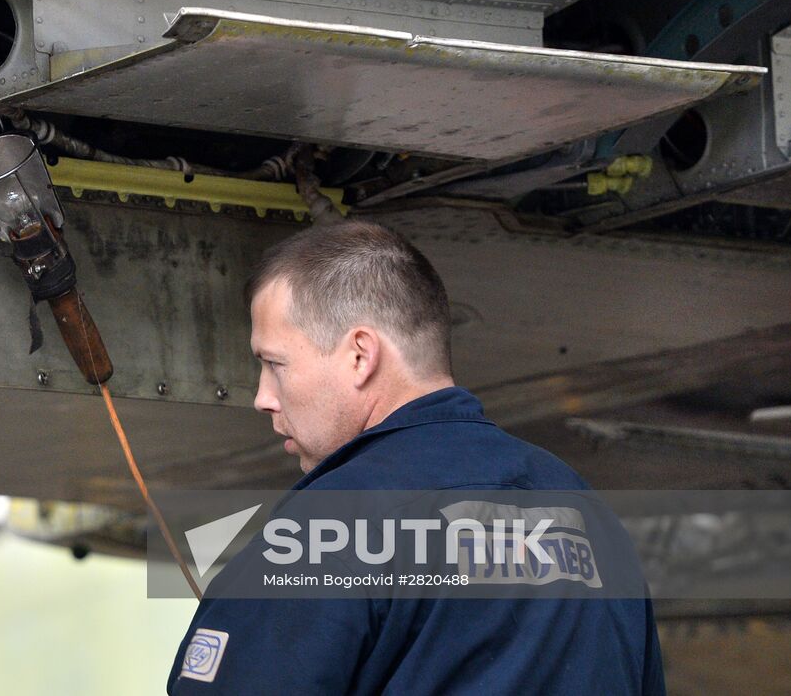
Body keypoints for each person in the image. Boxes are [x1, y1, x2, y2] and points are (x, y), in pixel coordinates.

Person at [167, 220, 665, 694]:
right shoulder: (592, 519)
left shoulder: (330, 530)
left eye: (275, 364)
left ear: (360, 355)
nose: (263, 397)